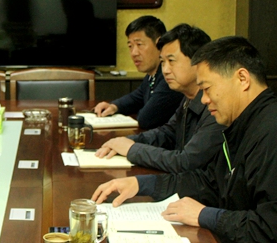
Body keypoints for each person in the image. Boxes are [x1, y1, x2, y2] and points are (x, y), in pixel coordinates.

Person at [92, 36, 277, 243]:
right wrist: (141, 184)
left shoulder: (269, 131)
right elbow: (210, 182)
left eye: (208, 88)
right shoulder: (242, 123)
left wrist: (205, 215)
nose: (204, 99)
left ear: (242, 78)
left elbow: (270, 229)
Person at [95, 24, 224, 172]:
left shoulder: (216, 106)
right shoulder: (188, 97)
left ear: (198, 63)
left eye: (171, 61)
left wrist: (132, 149)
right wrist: (126, 141)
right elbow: (167, 133)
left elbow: (186, 161)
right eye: (162, 62)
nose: (165, 70)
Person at [93, 15, 183, 129]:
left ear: (159, 43)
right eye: (130, 46)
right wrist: (114, 106)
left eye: (139, 45)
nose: (134, 53)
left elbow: (146, 118)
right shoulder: (152, 74)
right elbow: (136, 97)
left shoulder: (169, 76)